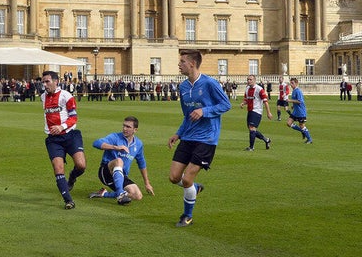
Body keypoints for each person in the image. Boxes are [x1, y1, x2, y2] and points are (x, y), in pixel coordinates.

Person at [167, 50, 231, 227]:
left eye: (182, 61)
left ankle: (187, 216)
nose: (179, 65)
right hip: (188, 137)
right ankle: (194, 188)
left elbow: (226, 104)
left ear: (192, 63)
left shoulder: (209, 83)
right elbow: (187, 115)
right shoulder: (183, 87)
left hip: (207, 139)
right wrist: (178, 134)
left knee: (187, 179)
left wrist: (205, 111)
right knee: (173, 177)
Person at [41, 70, 86, 209]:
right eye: (43, 82)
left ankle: (72, 178)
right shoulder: (43, 97)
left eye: (47, 81)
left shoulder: (66, 96)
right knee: (58, 168)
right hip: (53, 139)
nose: (44, 85)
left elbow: (74, 117)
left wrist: (62, 126)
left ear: (56, 81)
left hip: (70, 135)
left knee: (81, 166)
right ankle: (68, 200)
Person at [88, 116, 154, 205]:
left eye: (128, 127)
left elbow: (141, 163)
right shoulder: (115, 137)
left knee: (137, 195)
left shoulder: (138, 144)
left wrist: (147, 183)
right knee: (119, 161)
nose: (124, 129)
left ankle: (104, 194)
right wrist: (115, 147)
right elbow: (96, 143)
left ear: (135, 130)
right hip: (106, 171)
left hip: (121, 175)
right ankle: (120, 194)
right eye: (124, 126)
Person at [242, 74, 272, 151]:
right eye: (248, 79)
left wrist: (268, 112)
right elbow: (247, 99)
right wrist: (243, 103)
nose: (249, 81)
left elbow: (265, 101)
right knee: (252, 130)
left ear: (254, 80)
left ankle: (251, 147)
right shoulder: (247, 88)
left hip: (257, 111)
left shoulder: (259, 89)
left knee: (252, 128)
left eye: (250, 79)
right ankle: (266, 140)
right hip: (250, 111)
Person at [285, 77, 312, 144]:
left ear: (296, 83)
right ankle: (302, 131)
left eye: (292, 83)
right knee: (288, 123)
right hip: (295, 112)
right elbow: (296, 101)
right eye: (290, 83)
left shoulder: (298, 91)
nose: (291, 85)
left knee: (302, 125)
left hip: (301, 112)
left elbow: (300, 101)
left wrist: (290, 101)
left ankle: (309, 139)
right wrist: (293, 106)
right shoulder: (294, 91)